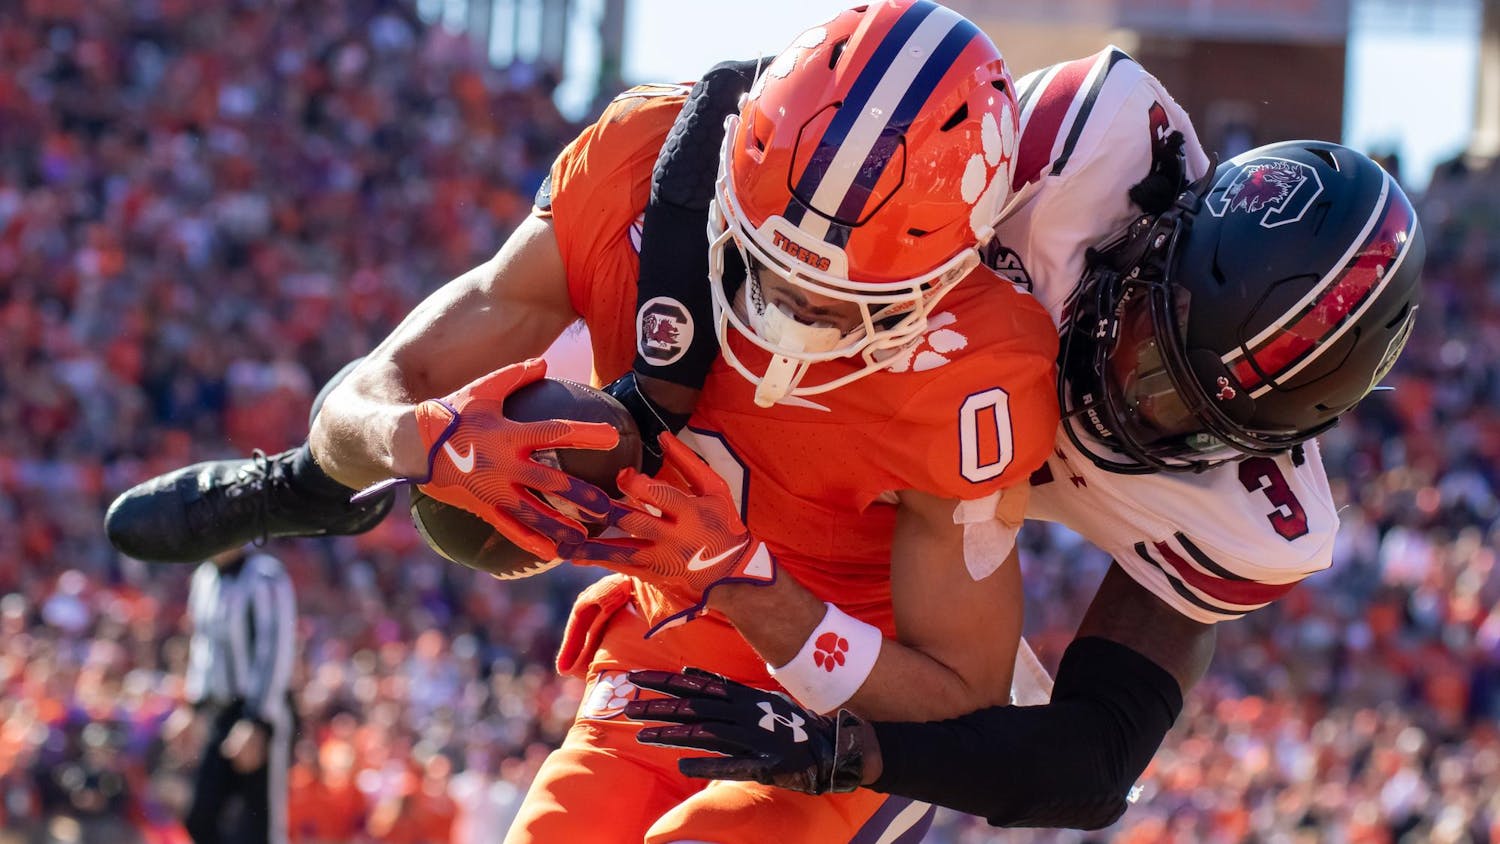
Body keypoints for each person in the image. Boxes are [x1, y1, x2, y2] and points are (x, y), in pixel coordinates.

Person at [609, 53, 1426, 829]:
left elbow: (1097, 763)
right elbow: (733, 99)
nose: (1132, 393)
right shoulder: (1080, 150)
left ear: (1261, 445)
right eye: (1149, 331)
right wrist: (663, 384)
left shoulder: (1250, 522)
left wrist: (859, 752)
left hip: (899, 609)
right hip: (814, 455)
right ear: (1150, 232)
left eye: (1183, 409)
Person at [170, 546, 298, 844]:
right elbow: (203, 646)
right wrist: (193, 706)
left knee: (262, 825)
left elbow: (276, 649)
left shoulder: (266, 576)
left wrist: (257, 720)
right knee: (201, 818)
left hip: (262, 711)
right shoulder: (204, 576)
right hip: (221, 709)